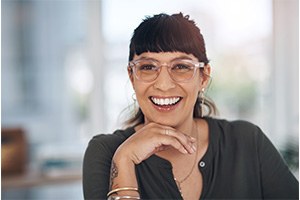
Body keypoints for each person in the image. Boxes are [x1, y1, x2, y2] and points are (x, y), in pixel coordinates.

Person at [83, 13, 298, 200]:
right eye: (148, 67)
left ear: (203, 77)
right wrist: (125, 159)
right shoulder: (107, 152)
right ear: (132, 76)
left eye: (181, 67)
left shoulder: (247, 141)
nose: (164, 85)